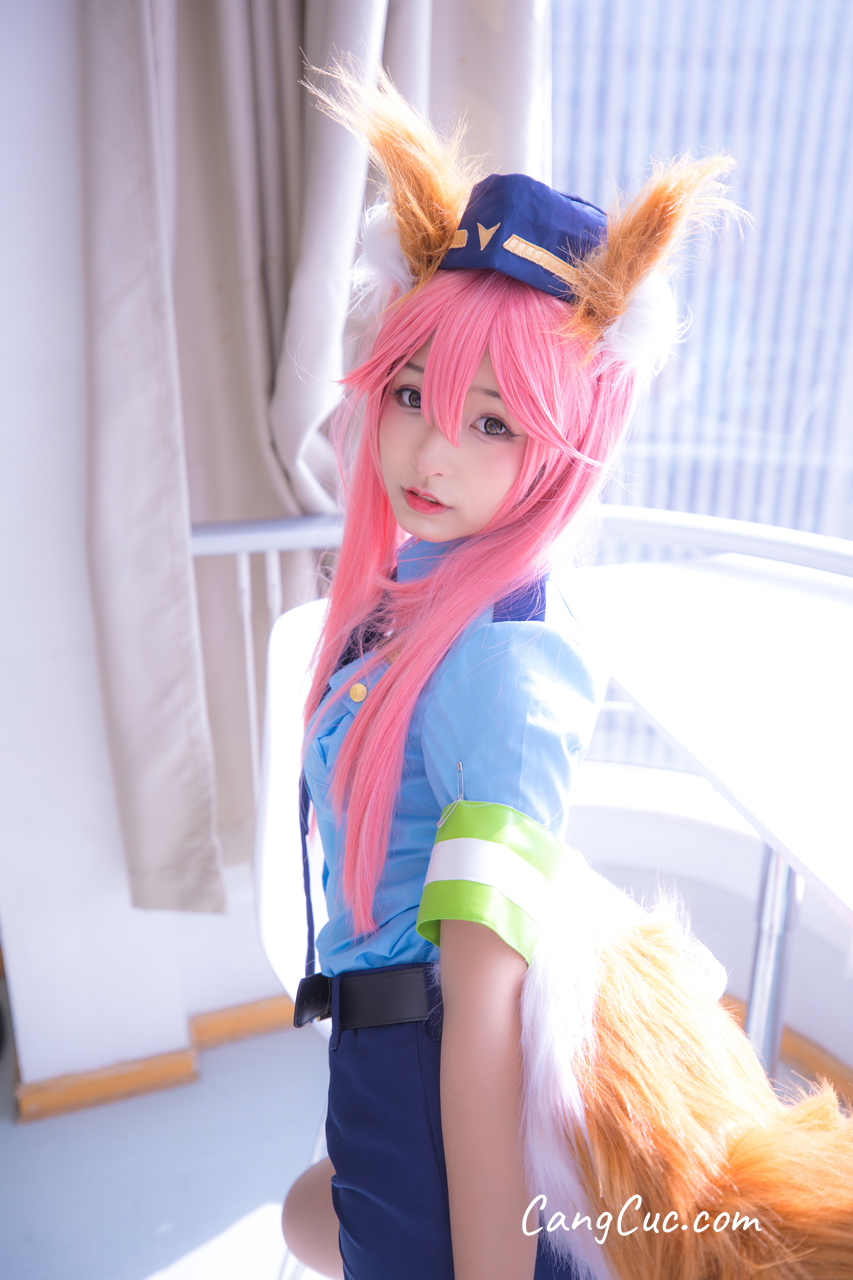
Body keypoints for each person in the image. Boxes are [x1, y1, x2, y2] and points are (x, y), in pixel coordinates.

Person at [281, 69, 853, 1280]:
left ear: (565, 442)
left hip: (422, 1084)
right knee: (300, 1214)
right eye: (410, 394)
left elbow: (482, 1022)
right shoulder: (425, 585)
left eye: (493, 420)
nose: (431, 449)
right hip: (381, 1059)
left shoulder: (503, 665)